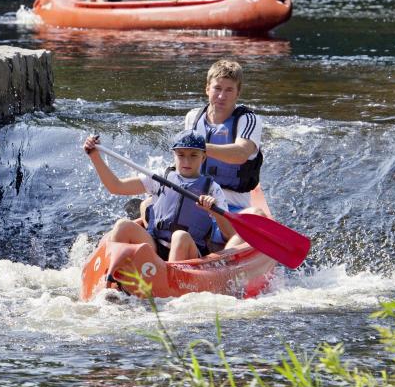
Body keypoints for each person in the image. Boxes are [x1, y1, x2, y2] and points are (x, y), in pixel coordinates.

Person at [83, 131, 235, 261]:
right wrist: (95, 156)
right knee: (123, 225)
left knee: (180, 236)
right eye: (181, 155)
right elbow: (116, 187)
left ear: (203, 157)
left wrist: (214, 210)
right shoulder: (159, 178)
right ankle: (114, 278)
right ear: (173, 155)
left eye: (193, 155)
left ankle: (170, 286)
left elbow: (229, 235)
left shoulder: (213, 190)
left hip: (189, 251)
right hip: (156, 244)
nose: (186, 161)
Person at [184, 60, 269, 248]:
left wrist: (197, 148)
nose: (221, 96)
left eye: (229, 90)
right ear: (207, 89)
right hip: (198, 202)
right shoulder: (193, 118)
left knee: (257, 216)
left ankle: (226, 258)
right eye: (217, 88)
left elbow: (240, 153)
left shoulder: (248, 120)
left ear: (238, 93)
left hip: (234, 207)